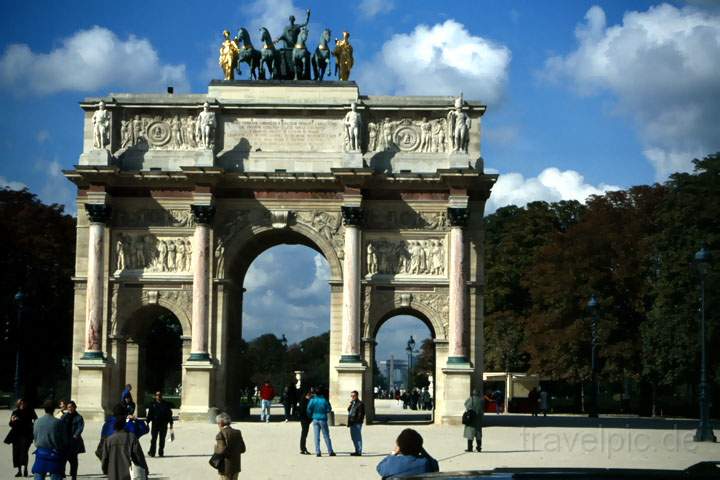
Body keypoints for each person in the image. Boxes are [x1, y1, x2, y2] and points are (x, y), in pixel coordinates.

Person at [32, 399, 66, 480]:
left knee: (38, 475)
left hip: (41, 452)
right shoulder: (58, 422)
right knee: (56, 476)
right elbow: (63, 439)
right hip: (55, 453)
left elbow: (35, 437)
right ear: (54, 409)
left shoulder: (37, 422)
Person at [6, 398, 36, 478]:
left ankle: (25, 469)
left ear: (26, 403)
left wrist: (32, 426)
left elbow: (36, 420)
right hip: (16, 436)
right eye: (20, 403)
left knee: (24, 452)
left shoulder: (30, 411)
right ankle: (19, 471)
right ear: (18, 404)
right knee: (16, 453)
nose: (22, 404)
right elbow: (10, 424)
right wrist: (12, 421)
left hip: (26, 435)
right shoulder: (15, 412)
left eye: (23, 403)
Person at [214, 413, 246, 480]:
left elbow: (221, 451)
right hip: (236, 467)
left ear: (221, 423)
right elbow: (243, 449)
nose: (218, 425)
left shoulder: (220, 434)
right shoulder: (237, 432)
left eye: (218, 423)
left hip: (225, 468)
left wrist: (215, 448)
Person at [306, 387, 335, 457]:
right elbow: (329, 409)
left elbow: (308, 409)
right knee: (326, 436)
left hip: (315, 418)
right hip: (323, 418)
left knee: (316, 436)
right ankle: (330, 451)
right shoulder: (324, 400)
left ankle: (318, 451)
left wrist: (310, 416)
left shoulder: (313, 400)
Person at [61, 401, 85, 480]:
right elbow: (59, 426)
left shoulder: (79, 417)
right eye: (68, 407)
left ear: (75, 407)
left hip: (74, 442)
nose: (70, 409)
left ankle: (73, 474)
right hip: (65, 441)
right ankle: (62, 473)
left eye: (71, 407)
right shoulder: (64, 416)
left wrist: (75, 436)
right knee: (63, 458)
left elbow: (80, 428)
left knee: (73, 460)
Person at [146, 391, 174, 457]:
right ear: (155, 396)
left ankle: (161, 452)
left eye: (160, 395)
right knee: (153, 439)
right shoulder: (152, 404)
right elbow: (150, 414)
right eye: (157, 395)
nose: (158, 396)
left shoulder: (166, 404)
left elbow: (169, 414)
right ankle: (152, 452)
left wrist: (171, 423)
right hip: (155, 424)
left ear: (161, 396)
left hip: (163, 424)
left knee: (162, 439)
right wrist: (147, 422)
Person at [347, 390, 365, 456]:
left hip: (357, 422)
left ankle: (359, 451)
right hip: (352, 421)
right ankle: (356, 450)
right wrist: (351, 403)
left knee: (357, 437)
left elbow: (361, 414)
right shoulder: (353, 403)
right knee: (353, 437)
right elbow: (349, 410)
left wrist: (358, 421)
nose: (352, 397)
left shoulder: (360, 404)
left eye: (353, 396)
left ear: (357, 396)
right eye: (351, 396)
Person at [298, 390, 313, 455]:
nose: (310, 396)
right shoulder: (306, 401)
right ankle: (303, 448)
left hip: (303, 419)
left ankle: (302, 448)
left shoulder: (302, 400)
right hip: (305, 419)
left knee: (303, 434)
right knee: (304, 434)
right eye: (309, 395)